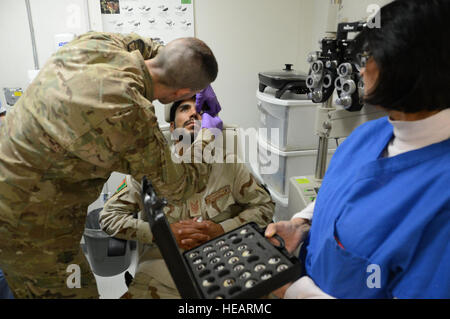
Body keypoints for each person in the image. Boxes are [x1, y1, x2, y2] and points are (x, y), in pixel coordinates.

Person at [0, 31, 221, 298]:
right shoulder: (131, 117)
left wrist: (190, 68)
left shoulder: (97, 44)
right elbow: (181, 186)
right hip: (28, 227)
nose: (194, 114)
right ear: (181, 95)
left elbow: (151, 47)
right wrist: (210, 135)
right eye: (187, 103)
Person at [266, 0, 450, 299]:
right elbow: (341, 194)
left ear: (407, 67)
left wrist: (294, 292)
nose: (360, 70)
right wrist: (303, 224)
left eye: (369, 57)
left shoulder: (441, 196)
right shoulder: (369, 134)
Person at [99, 94, 275, 298]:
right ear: (173, 129)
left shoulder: (230, 164)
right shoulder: (151, 169)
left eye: (200, 110)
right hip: (164, 270)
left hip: (227, 264)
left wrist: (221, 229)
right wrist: (162, 233)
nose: (193, 113)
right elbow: (109, 217)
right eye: (184, 108)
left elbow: (264, 207)